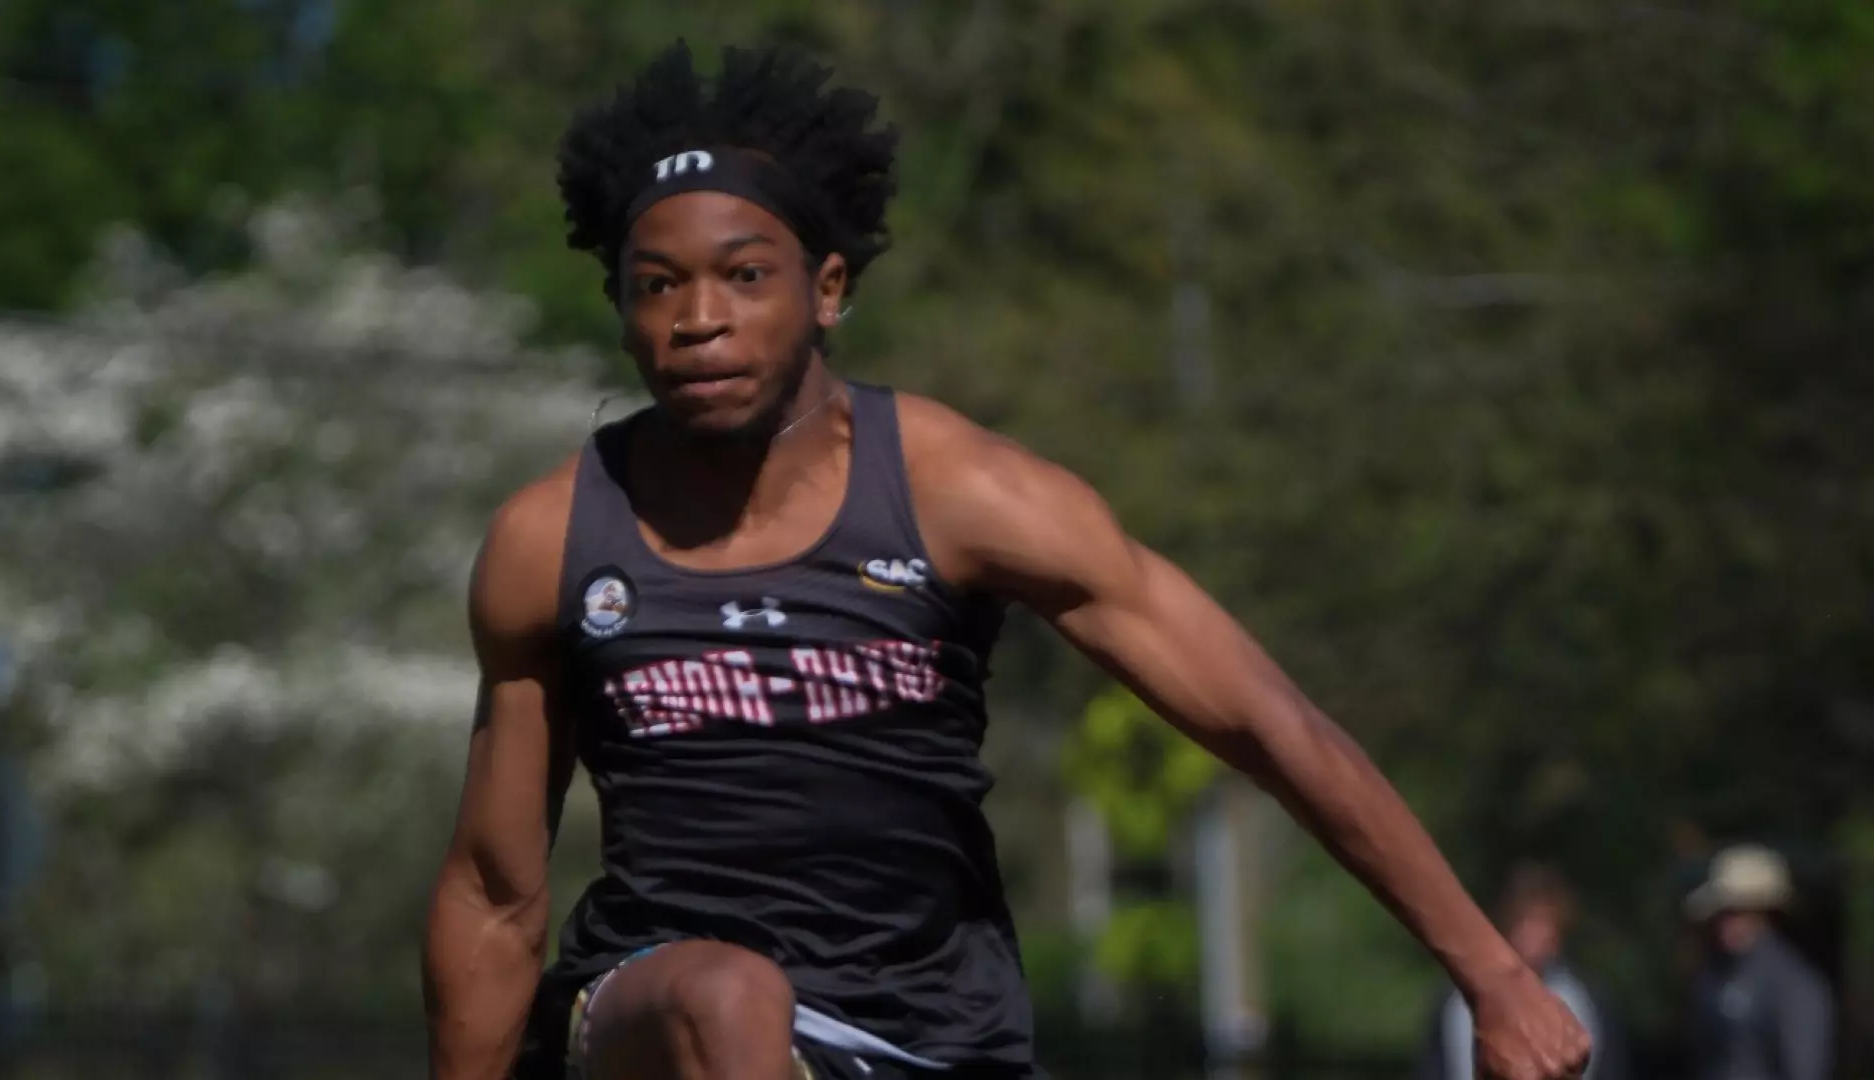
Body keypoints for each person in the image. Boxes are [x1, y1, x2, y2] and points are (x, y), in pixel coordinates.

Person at [420, 41, 1593, 1080]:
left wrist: (1492, 976)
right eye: (655, 286)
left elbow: (1266, 724)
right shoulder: (559, 536)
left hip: (935, 1030)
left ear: (828, 291)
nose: (698, 319)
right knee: (729, 1001)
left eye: (744, 275)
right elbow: (493, 888)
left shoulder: (965, 494)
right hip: (652, 1010)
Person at [1418, 864, 1621, 1080]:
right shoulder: (1456, 1001)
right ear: (1510, 923)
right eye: (1528, 923)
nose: (1537, 937)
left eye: (1544, 924)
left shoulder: (1590, 1000)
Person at [1685, 845, 1834, 1080]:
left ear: (1764, 912)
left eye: (1737, 911)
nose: (1726, 922)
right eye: (1722, 912)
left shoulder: (1794, 985)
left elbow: (1805, 1069)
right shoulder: (1715, 975)